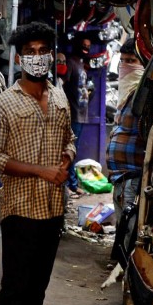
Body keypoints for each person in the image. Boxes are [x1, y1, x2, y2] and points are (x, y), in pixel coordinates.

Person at [0, 21, 76, 305]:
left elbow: (69, 138)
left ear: (51, 55)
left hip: (53, 209)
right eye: (30, 53)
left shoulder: (61, 96)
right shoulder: (1, 105)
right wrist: (42, 171)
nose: (37, 58)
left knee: (37, 288)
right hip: (20, 208)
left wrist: (66, 157)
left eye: (42, 52)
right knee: (16, 290)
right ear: (19, 58)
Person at [105, 38, 146, 259]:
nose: (126, 66)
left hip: (133, 173)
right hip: (120, 176)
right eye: (123, 61)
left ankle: (129, 270)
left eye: (132, 61)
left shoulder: (145, 96)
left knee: (130, 227)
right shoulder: (128, 94)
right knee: (123, 224)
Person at [62, 35, 91, 198]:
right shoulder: (71, 63)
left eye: (88, 45)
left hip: (81, 114)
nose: (86, 48)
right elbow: (63, 84)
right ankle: (70, 184)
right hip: (73, 114)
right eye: (84, 44)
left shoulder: (81, 64)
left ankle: (71, 184)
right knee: (70, 149)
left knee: (74, 149)